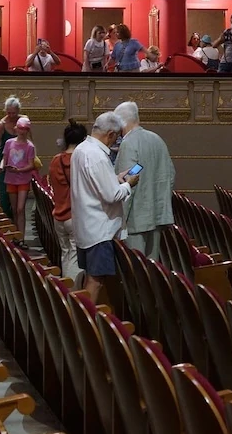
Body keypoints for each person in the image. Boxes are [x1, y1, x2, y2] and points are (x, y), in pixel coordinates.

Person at [72, 111, 139, 303]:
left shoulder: (81, 149)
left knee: (90, 276)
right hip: (99, 231)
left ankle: (84, 320)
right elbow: (112, 195)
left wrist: (115, 179)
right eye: (116, 137)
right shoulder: (98, 156)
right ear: (110, 134)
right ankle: (85, 325)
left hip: (86, 225)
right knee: (96, 281)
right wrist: (129, 184)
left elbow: (94, 185)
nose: (115, 142)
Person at [113, 101, 175, 258]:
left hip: (135, 219)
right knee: (152, 271)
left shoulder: (128, 143)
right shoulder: (157, 139)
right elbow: (171, 174)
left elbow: (128, 183)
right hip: (157, 215)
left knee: (136, 271)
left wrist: (119, 220)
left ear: (121, 122)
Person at [46, 121, 84, 282]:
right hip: (74, 215)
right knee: (75, 256)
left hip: (58, 215)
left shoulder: (55, 160)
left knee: (65, 253)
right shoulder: (80, 160)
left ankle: (64, 287)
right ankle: (73, 296)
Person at [1, 116, 39, 239]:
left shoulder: (30, 146)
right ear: (16, 129)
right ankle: (16, 235)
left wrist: (19, 170)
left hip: (23, 179)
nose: (22, 131)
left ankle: (21, 237)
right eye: (20, 128)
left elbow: (31, 165)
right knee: (14, 208)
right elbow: (4, 158)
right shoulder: (9, 143)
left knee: (20, 208)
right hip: (11, 179)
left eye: (25, 129)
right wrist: (2, 167)